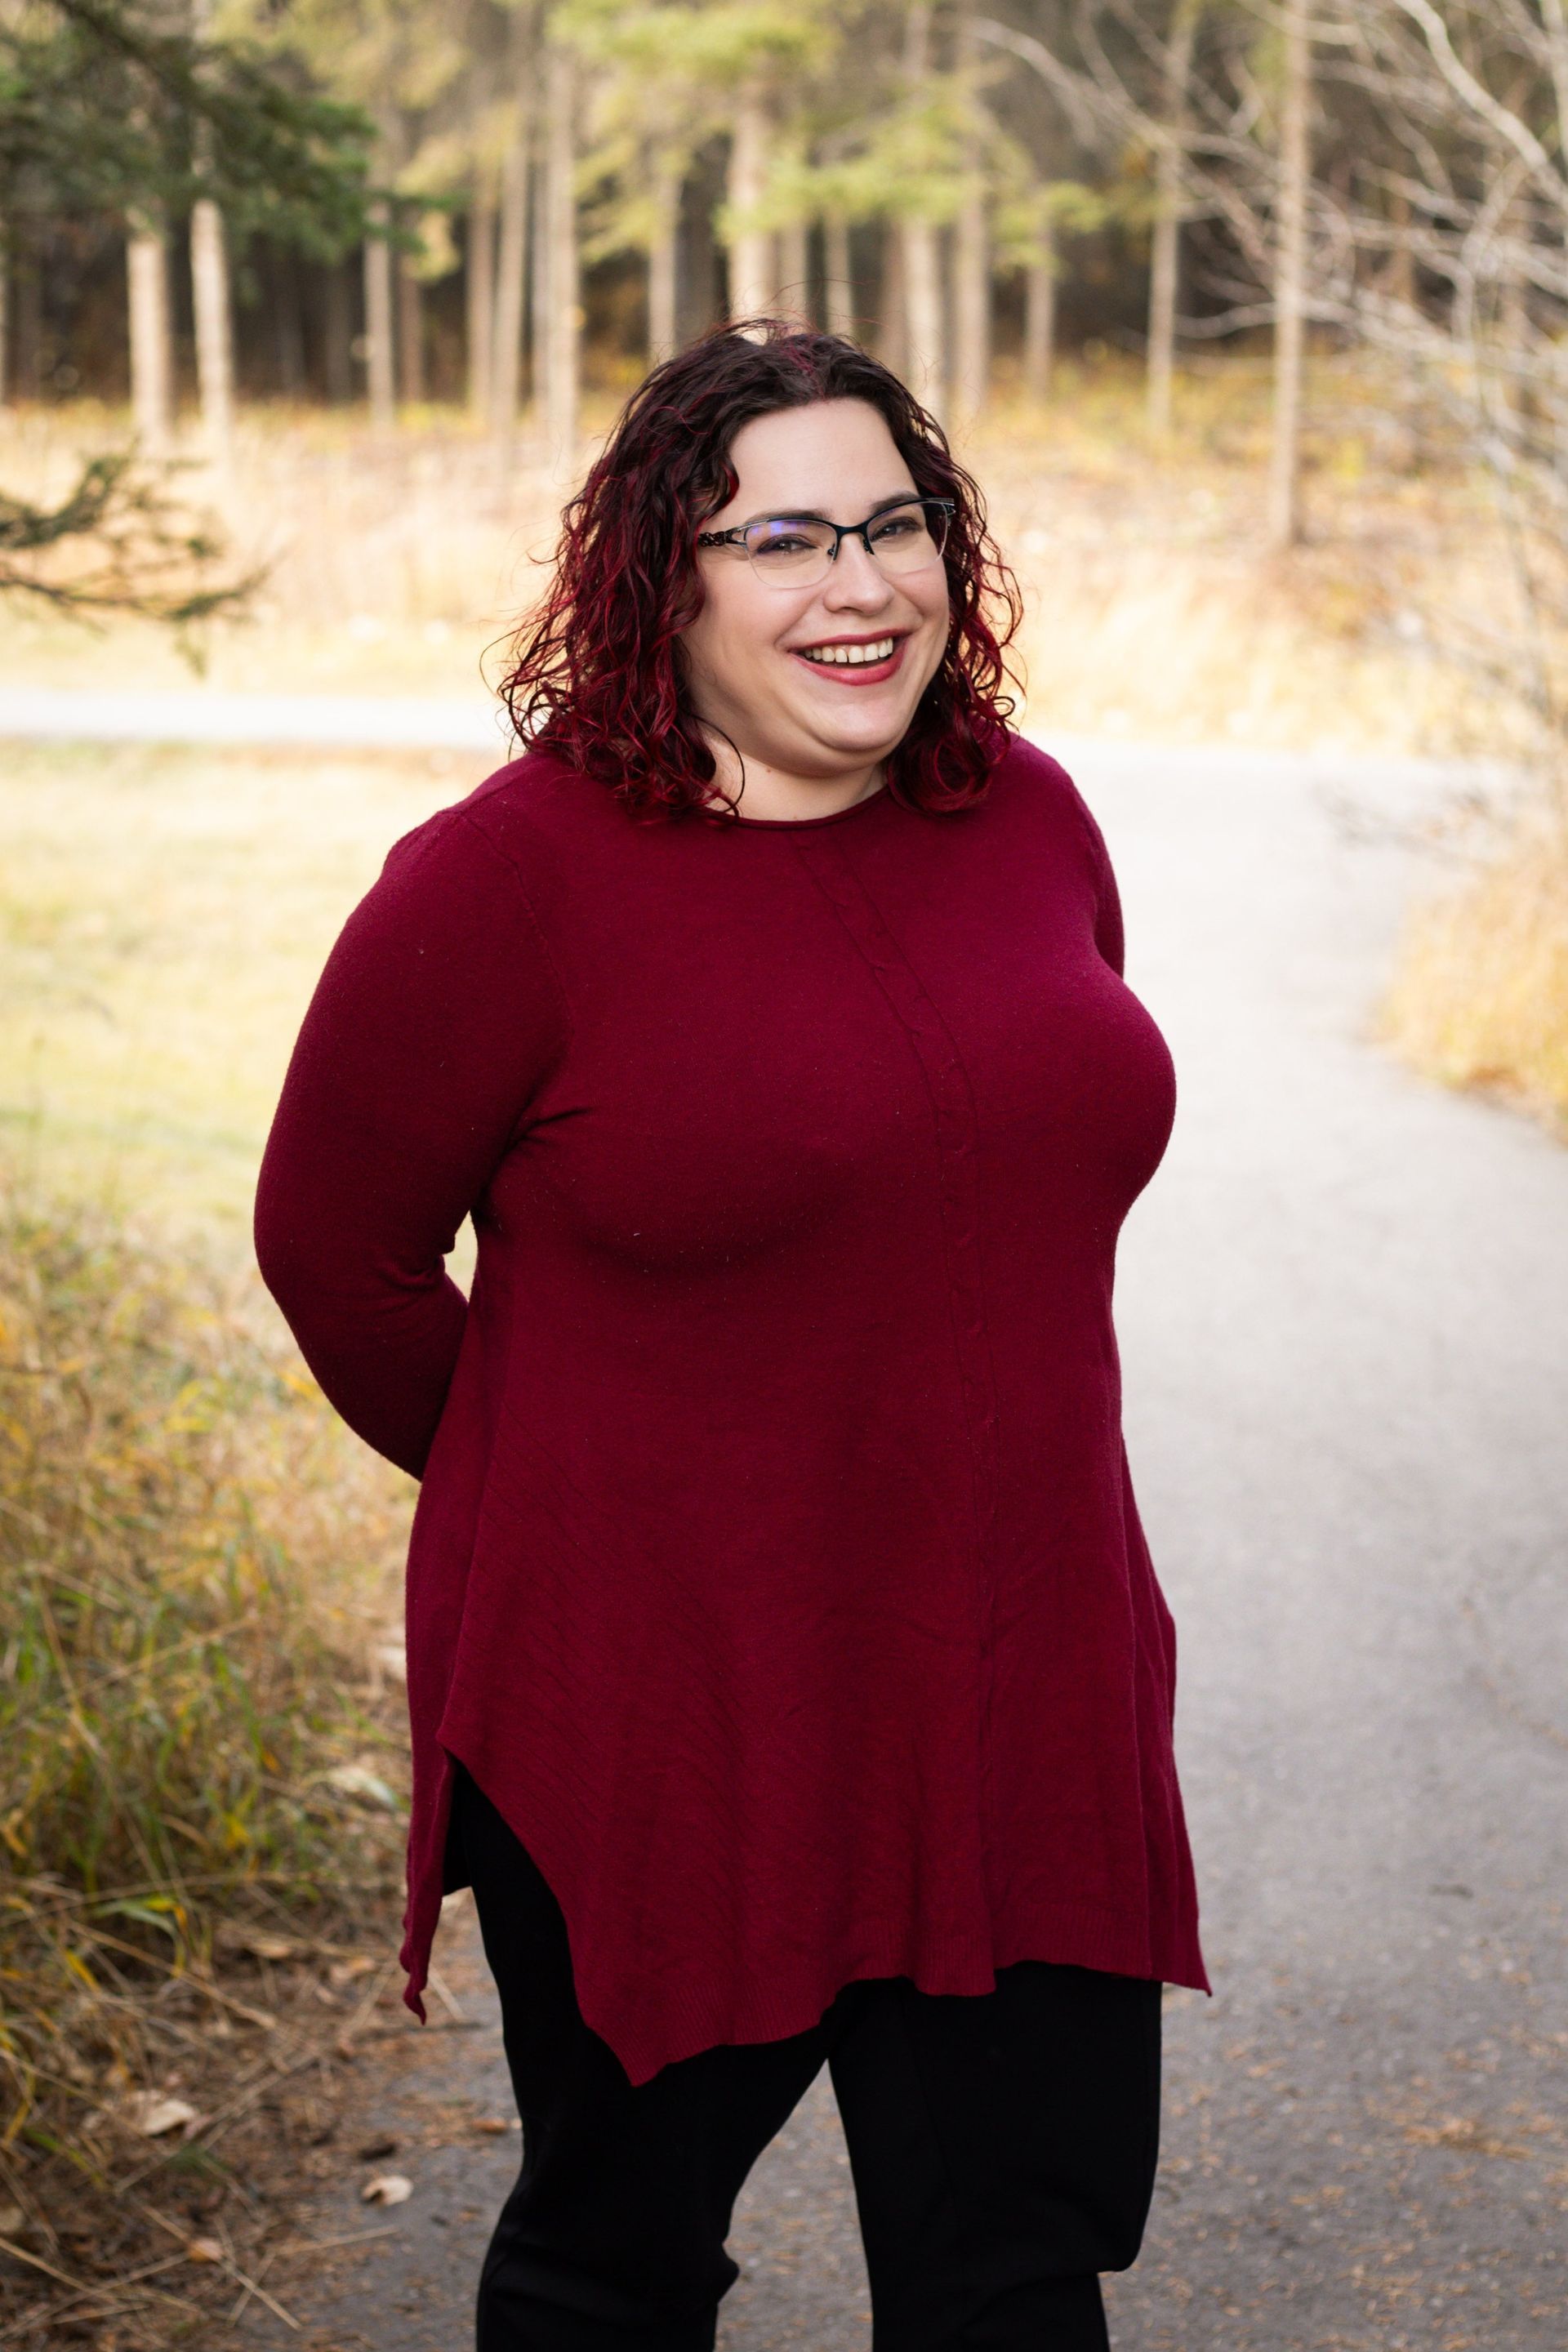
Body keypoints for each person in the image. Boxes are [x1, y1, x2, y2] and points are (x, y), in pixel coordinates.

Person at [254, 319, 1208, 2352]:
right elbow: (336, 1253)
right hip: (674, 1704)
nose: (859, 586)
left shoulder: (1025, 819)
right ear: (659, 586)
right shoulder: (502, 890)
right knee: (616, 2268)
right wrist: (585, 1505)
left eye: (895, 523)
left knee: (1018, 2269)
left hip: (1017, 1670)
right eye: (780, 539)